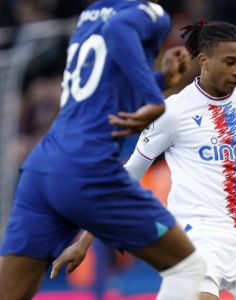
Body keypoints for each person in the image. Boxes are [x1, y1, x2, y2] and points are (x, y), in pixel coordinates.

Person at [51, 20, 236, 300]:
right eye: (229, 62)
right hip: (195, 241)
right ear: (204, 61)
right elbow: (128, 176)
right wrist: (84, 241)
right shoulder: (173, 111)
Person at [0, 1, 207, 300]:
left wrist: (160, 80)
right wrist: (155, 99)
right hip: (87, 168)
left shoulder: (90, 14)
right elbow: (119, 29)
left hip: (43, 166)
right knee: (187, 266)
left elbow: (103, 99)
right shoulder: (151, 12)